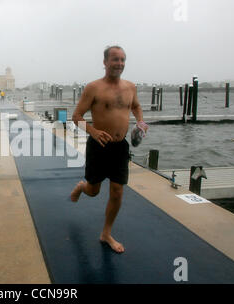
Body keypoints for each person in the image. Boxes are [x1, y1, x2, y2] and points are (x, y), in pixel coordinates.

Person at [70, 45, 148, 253]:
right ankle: (82, 187)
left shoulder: (131, 87)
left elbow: (136, 106)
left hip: (120, 146)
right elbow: (76, 117)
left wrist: (140, 122)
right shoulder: (93, 88)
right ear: (105, 62)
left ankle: (106, 233)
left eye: (123, 60)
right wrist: (93, 132)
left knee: (117, 191)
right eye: (115, 59)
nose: (119, 64)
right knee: (94, 191)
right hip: (98, 146)